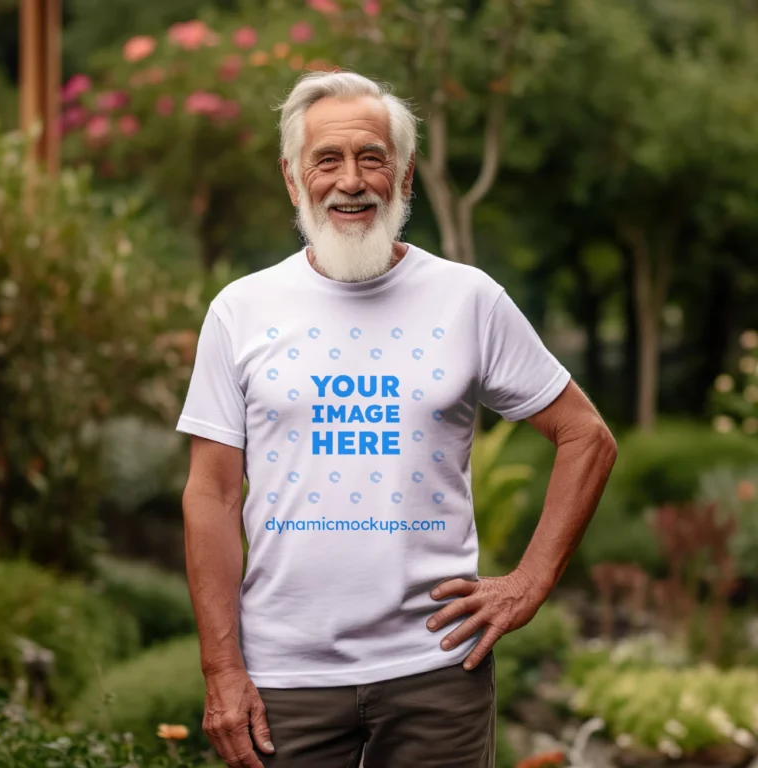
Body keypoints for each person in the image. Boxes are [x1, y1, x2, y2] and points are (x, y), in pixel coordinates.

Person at [176, 69, 617, 768]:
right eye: (327, 160)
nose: (350, 180)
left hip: (436, 671)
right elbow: (211, 495)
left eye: (371, 158)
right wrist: (221, 671)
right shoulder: (241, 310)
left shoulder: (468, 299)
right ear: (294, 179)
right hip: (284, 677)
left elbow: (586, 436)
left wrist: (529, 584)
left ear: (403, 177)